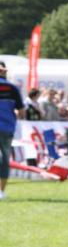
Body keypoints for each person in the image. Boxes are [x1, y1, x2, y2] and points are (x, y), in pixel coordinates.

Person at [0, 61, 24, 199]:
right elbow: (21, 112)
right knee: (4, 159)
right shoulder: (12, 88)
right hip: (7, 129)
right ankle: (1, 192)